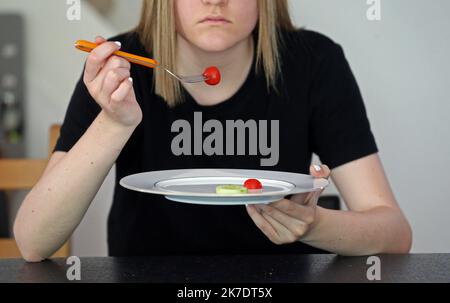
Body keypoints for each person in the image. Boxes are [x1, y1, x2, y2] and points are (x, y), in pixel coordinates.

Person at [14, 0, 412, 262]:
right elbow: (33, 241)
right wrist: (114, 122)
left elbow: (394, 233)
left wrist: (315, 225)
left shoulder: (314, 62)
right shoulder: (118, 67)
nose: (214, 0)